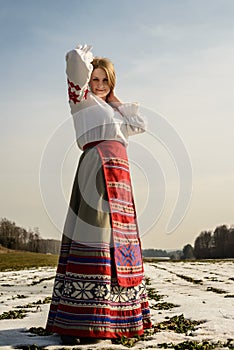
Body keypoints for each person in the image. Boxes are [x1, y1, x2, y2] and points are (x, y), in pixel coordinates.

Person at [46, 44, 152, 345]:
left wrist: (116, 99)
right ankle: (82, 323)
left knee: (117, 244)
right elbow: (74, 63)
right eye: (96, 79)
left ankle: (118, 319)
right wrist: (88, 62)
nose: (100, 85)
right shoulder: (81, 101)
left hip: (120, 177)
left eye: (106, 80)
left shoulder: (113, 110)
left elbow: (139, 125)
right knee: (95, 237)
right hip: (97, 170)